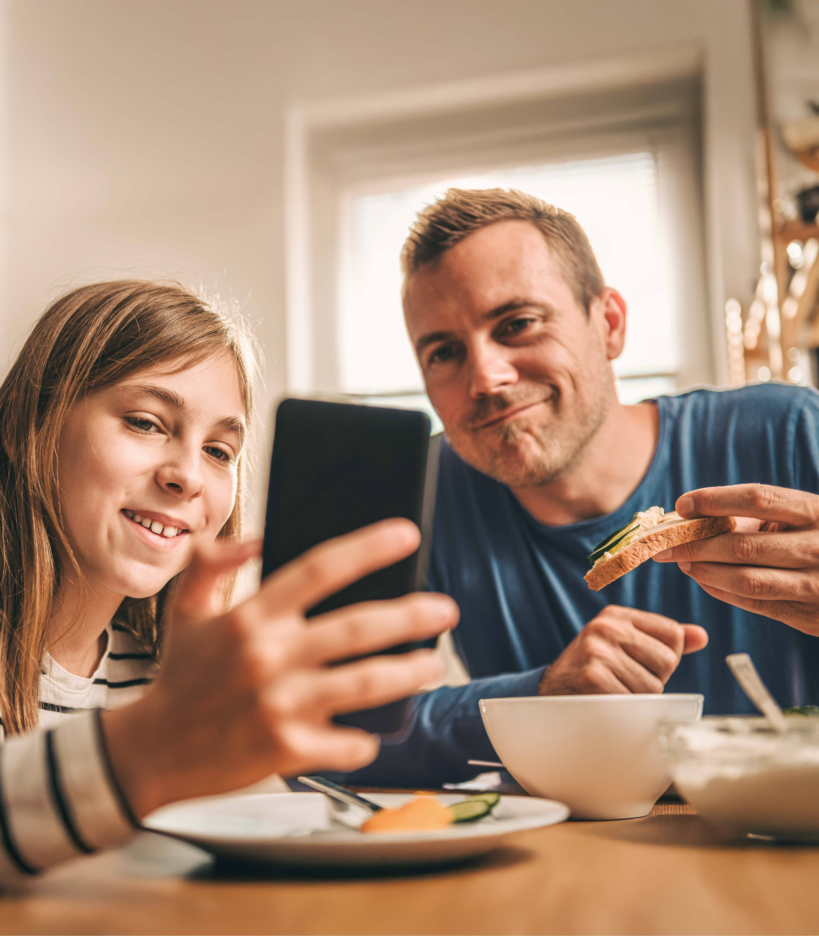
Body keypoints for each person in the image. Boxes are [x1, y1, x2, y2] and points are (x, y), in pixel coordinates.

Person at [0, 280, 457, 931]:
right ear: (26, 429)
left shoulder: (150, 668)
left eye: (218, 451)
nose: (186, 475)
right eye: (146, 423)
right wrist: (133, 757)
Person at [339, 188, 819, 788]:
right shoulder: (421, 495)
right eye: (444, 353)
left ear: (609, 323)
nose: (485, 378)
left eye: (517, 324)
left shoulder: (791, 433)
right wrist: (537, 697)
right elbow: (329, 737)